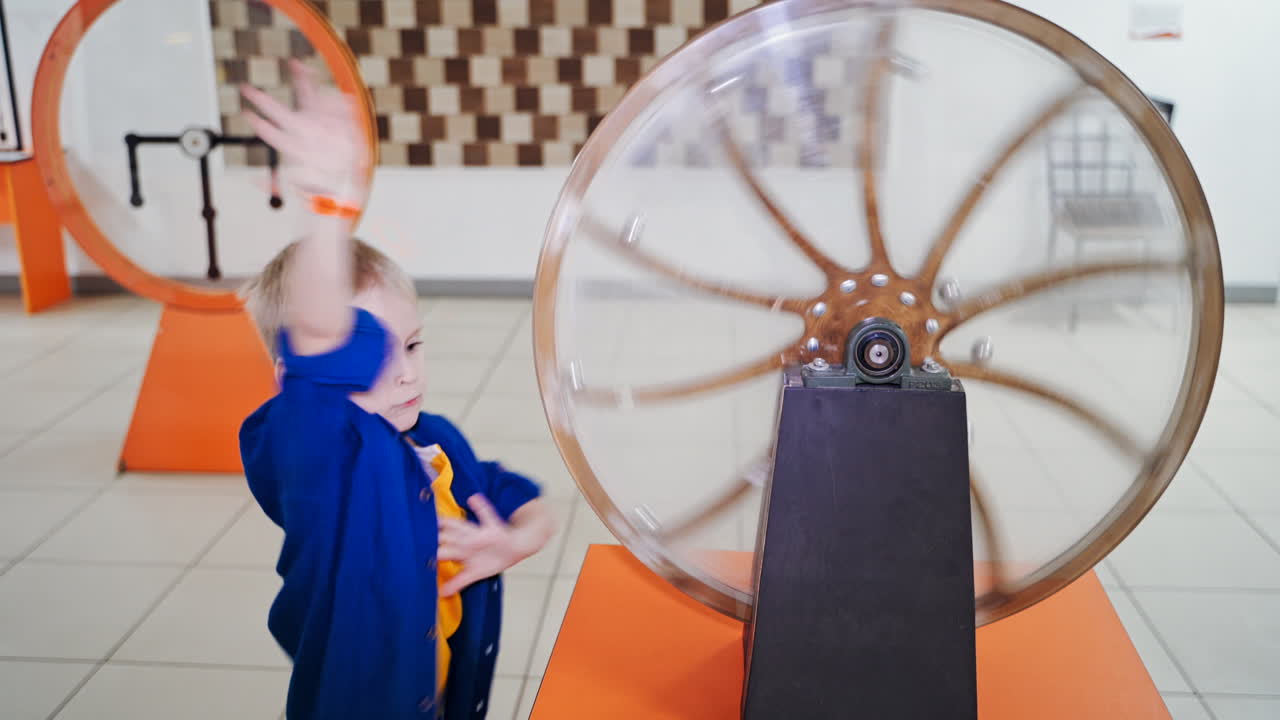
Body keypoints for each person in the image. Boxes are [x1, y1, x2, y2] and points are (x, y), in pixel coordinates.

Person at [237, 61, 555, 719]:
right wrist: (329, 209)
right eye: (373, 360)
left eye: (411, 346)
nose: (405, 373)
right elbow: (324, 344)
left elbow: (526, 502)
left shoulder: (437, 442)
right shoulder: (314, 454)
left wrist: (512, 541)